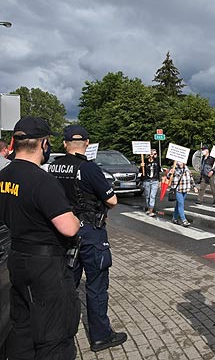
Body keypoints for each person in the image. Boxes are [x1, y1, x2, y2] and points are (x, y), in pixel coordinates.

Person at [0, 117, 81, 358]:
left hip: (17, 258)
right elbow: (68, 227)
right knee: (54, 334)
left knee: (22, 329)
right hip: (45, 267)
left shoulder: (3, 175)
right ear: (44, 144)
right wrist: (76, 219)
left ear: (15, 142)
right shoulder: (42, 180)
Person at [48, 125, 127, 352]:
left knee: (66, 285)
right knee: (96, 286)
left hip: (65, 231)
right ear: (87, 143)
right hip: (91, 232)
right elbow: (112, 201)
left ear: (64, 144)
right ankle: (101, 336)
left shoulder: (54, 167)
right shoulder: (89, 168)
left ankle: (60, 333)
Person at [168, 161, 197, 226]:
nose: (180, 163)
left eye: (181, 162)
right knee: (181, 204)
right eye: (179, 162)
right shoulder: (174, 168)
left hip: (185, 189)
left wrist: (194, 187)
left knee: (178, 204)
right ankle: (184, 220)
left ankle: (174, 218)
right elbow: (168, 178)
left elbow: (191, 178)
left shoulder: (187, 169)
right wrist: (170, 173)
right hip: (178, 190)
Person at [141, 149, 160, 216]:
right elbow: (141, 172)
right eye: (153, 154)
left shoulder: (157, 161)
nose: (155, 155)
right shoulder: (145, 162)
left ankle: (151, 210)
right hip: (147, 181)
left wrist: (159, 181)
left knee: (152, 196)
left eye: (155, 154)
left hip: (155, 181)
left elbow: (159, 170)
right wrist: (141, 166)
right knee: (148, 196)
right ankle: (148, 208)